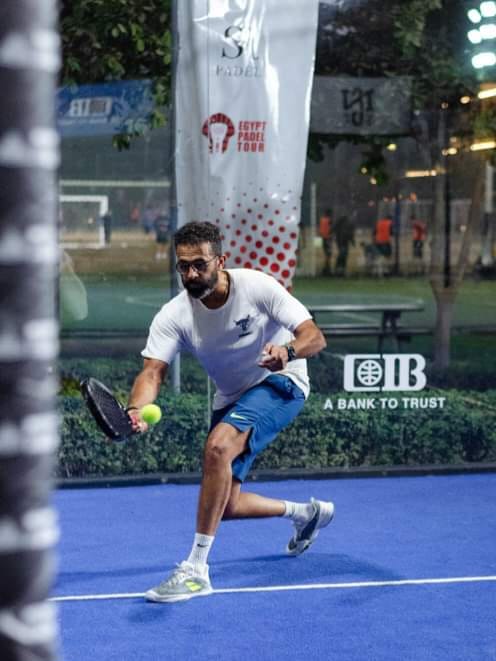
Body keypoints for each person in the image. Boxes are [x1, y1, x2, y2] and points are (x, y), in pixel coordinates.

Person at [127, 221, 333, 603]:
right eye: (183, 266)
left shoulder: (256, 287)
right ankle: (306, 514)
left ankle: (196, 570)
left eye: (199, 264)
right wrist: (138, 408)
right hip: (232, 398)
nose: (191, 274)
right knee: (225, 505)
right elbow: (152, 372)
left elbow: (314, 336)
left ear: (220, 261)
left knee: (219, 447)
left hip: (282, 382)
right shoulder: (174, 315)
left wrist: (286, 351)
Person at [318, 208, 333, 275]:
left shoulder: (322, 220)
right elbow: (330, 229)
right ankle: (327, 269)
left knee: (326, 253)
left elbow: (320, 229)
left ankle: (326, 268)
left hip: (322, 238)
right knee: (328, 254)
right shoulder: (329, 220)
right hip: (327, 238)